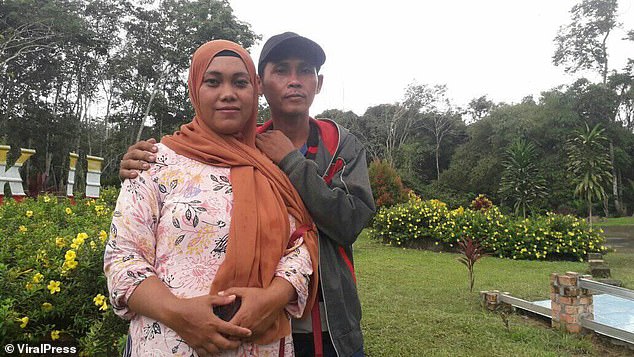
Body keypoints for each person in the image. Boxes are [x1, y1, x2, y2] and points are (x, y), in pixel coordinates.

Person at [119, 32, 375, 357]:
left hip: (326, 320)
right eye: (281, 70)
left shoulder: (339, 143)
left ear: (318, 82)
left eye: (305, 71)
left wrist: (291, 162)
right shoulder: (240, 150)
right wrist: (137, 165)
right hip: (260, 327)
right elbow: (192, 161)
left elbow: (343, 224)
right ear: (261, 84)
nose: (294, 81)